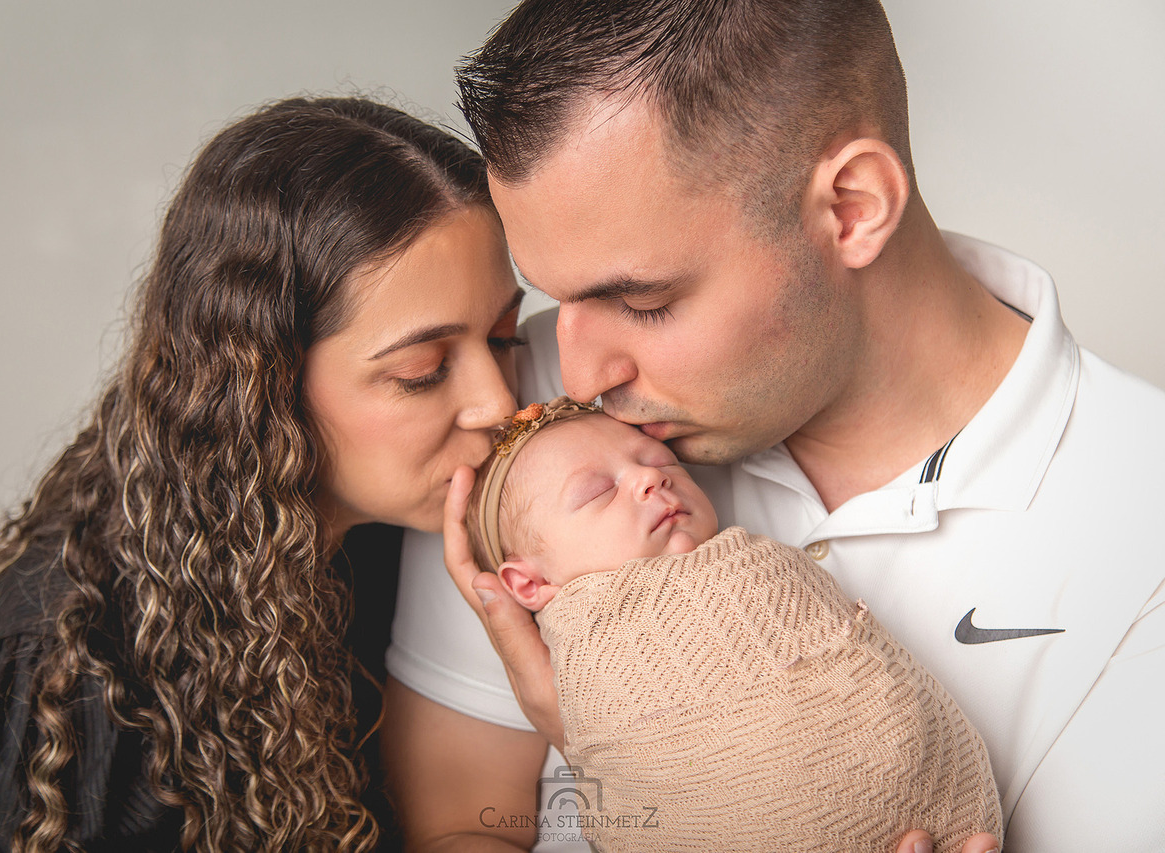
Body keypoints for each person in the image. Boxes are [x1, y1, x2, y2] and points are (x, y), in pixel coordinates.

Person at [382, 1, 1165, 851]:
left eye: (643, 302)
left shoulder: (1143, 548)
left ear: (853, 208)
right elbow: (462, 829)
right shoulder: (528, 424)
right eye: (554, 296)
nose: (577, 379)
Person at [0, 96, 525, 852]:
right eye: (422, 370)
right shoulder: (76, 680)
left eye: (504, 338)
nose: (500, 403)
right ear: (263, 386)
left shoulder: (418, 529)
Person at [464, 398, 1001, 852]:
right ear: (529, 584)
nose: (652, 477)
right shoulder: (594, 665)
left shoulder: (759, 563)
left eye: (663, 462)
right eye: (599, 491)